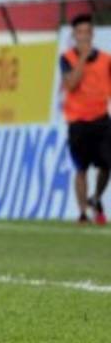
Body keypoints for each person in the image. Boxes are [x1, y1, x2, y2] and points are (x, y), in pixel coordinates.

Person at [59, 14, 111, 224]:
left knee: (107, 165)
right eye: (79, 32)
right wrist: (82, 57)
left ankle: (96, 198)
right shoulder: (67, 58)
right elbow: (70, 85)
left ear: (92, 34)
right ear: (74, 35)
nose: (84, 36)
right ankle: (82, 212)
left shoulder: (106, 59)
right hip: (78, 121)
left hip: (101, 119)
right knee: (81, 168)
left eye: (87, 32)